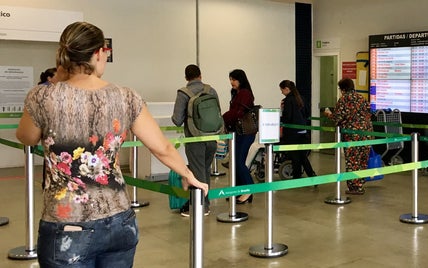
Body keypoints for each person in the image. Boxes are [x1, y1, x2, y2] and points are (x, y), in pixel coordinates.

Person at [15, 21, 208, 267]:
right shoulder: (126, 96)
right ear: (98, 53)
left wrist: (58, 80)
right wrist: (188, 174)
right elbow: (162, 147)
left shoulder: (42, 96)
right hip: (119, 221)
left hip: (66, 224)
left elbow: (27, 137)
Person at [171, 64, 220, 216]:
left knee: (198, 172)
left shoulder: (183, 93)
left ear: (186, 77)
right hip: (212, 137)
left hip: (195, 140)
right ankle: (203, 202)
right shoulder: (211, 90)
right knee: (204, 170)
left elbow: (177, 120)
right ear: (200, 75)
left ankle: (201, 206)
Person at [324, 78, 373, 195]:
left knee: (353, 160)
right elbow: (369, 113)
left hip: (352, 134)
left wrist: (329, 114)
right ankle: (360, 184)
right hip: (367, 133)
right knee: (362, 159)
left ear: (343, 89)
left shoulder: (344, 100)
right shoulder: (361, 98)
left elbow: (337, 118)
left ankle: (354, 187)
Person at [222, 69, 256, 204]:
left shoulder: (245, 94)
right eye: (230, 79)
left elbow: (238, 113)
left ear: (240, 79)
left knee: (238, 162)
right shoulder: (237, 93)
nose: (231, 82)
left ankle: (248, 190)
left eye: (234, 79)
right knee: (235, 163)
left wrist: (223, 117)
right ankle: (238, 191)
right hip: (237, 132)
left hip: (245, 133)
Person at [279, 80, 316, 179]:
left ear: (286, 89)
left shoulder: (288, 100)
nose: (281, 92)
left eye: (282, 90)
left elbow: (287, 117)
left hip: (292, 133)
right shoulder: (301, 98)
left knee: (296, 156)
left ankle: (297, 176)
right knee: (301, 156)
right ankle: (311, 175)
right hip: (303, 131)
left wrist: (281, 115)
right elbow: (307, 114)